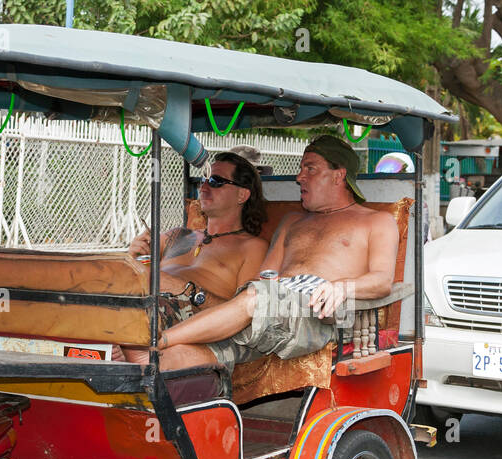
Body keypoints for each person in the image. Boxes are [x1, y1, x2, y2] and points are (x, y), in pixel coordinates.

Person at [153, 135, 398, 373]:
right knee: (172, 357)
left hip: (318, 314)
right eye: (301, 169)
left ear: (338, 175)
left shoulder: (377, 221)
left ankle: (158, 340)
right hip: (272, 314)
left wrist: (340, 288)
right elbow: (263, 279)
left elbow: (382, 281)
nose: (299, 177)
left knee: (257, 298)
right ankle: (156, 361)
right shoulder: (293, 221)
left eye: (310, 169)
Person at [122, 151, 269, 362]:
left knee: (131, 315)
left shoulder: (253, 247)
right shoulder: (176, 235)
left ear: (242, 195)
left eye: (216, 181)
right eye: (203, 179)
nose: (204, 186)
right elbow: (131, 269)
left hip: (188, 317)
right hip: (146, 302)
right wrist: (132, 254)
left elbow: (242, 314)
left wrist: (186, 289)